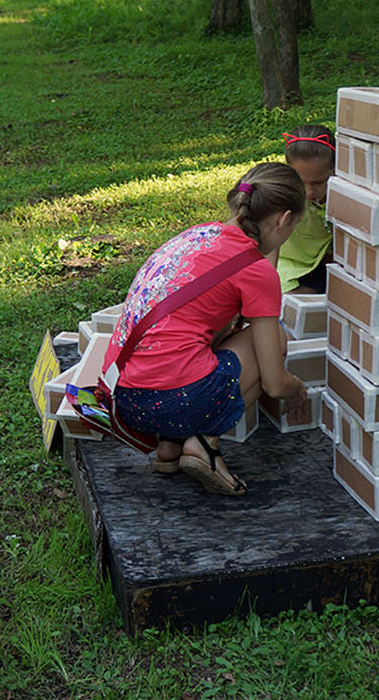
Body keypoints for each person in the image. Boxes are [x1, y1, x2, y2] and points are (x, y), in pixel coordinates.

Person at [102, 162, 311, 496]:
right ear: (283, 220)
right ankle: (202, 443)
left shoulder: (197, 235)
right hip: (176, 402)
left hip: (126, 401)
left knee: (199, 343)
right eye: (293, 228)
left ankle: (169, 449)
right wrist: (297, 388)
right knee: (275, 339)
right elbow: (273, 383)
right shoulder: (256, 272)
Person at [276, 124, 336, 293]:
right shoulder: (283, 199)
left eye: (319, 182)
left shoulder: (343, 198)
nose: (309, 192)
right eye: (301, 182)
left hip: (324, 267)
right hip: (288, 266)